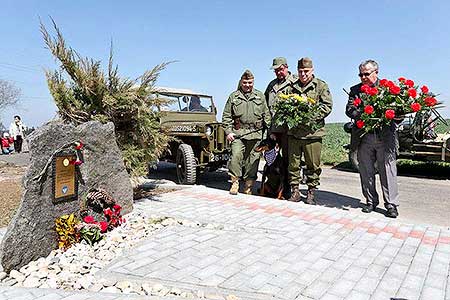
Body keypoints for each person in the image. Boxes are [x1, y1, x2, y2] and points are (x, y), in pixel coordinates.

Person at [345, 59, 399, 218]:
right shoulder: (355, 90)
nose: (363, 77)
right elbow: (349, 110)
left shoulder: (387, 89)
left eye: (366, 74)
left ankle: (391, 204)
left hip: (385, 137)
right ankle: (370, 201)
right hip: (364, 137)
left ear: (376, 72)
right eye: (360, 74)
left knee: (387, 171)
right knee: (366, 171)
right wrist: (364, 115)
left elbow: (398, 111)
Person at [286, 57, 333, 204]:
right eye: (300, 71)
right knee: (293, 164)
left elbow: (327, 106)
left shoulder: (320, 86)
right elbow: (284, 104)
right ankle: (295, 191)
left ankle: (311, 192)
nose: (303, 74)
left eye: (306, 71)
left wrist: (310, 117)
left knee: (313, 165)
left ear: (312, 70)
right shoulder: (291, 87)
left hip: (312, 134)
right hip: (294, 133)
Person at [222, 70, 271, 195]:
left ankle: (248, 186)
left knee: (253, 161)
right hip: (238, 133)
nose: (247, 85)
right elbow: (226, 116)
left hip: (256, 133)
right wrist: (228, 132)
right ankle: (234, 183)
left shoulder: (260, 96)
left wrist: (270, 133)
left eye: (250, 82)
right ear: (241, 82)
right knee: (236, 156)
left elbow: (267, 115)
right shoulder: (234, 96)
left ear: (253, 82)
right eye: (245, 82)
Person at [264, 57, 298, 198]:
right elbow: (266, 107)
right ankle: (272, 187)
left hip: (289, 130)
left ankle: (288, 189)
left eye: (280, 69)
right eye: (276, 70)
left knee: (289, 161)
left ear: (286, 67)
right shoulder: (271, 85)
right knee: (271, 160)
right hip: (274, 130)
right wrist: (269, 128)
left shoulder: (295, 82)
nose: (278, 72)